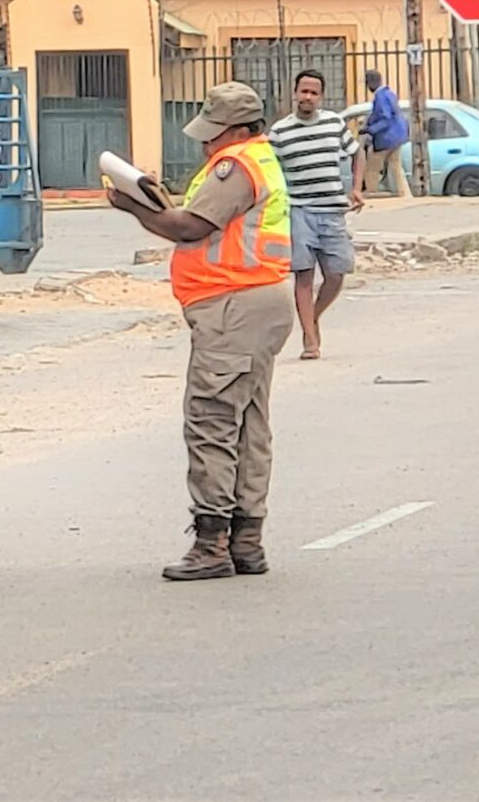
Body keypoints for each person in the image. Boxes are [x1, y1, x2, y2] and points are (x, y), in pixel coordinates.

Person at [109, 81, 296, 582]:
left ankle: (212, 545)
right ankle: (246, 542)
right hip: (259, 300)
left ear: (237, 129)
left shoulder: (235, 166)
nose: (205, 142)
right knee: (248, 423)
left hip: (234, 305)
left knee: (211, 421)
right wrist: (155, 203)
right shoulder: (259, 160)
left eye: (213, 132)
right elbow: (195, 220)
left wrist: (135, 207)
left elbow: (190, 227)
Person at [269, 70, 365, 361]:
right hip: (298, 210)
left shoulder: (334, 124)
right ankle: (310, 340)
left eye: (313, 93)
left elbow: (357, 152)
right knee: (304, 275)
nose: (308, 97)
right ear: (295, 93)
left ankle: (313, 316)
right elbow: (268, 170)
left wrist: (357, 188)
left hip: (332, 210)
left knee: (337, 273)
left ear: (321, 97)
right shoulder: (280, 132)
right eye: (303, 91)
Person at [361, 69, 412, 198]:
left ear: (371, 82)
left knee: (372, 165)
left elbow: (385, 118)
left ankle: (370, 192)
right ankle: (404, 193)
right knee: (396, 166)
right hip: (398, 136)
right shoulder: (389, 93)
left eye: (367, 83)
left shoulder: (380, 96)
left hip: (387, 137)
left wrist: (370, 129)